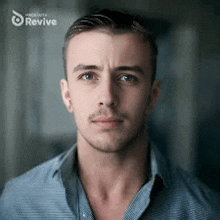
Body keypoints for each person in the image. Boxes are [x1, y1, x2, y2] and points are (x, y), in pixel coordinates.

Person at [0, 9, 220, 220]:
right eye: (88, 76)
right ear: (67, 96)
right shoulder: (18, 201)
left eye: (127, 77)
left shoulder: (202, 211)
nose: (107, 97)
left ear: (152, 96)